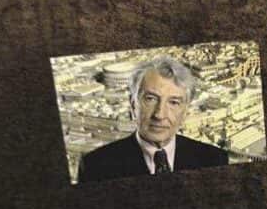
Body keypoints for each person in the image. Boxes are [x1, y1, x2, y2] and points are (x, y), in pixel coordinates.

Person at [77, 56, 228, 183]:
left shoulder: (215, 160)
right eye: (150, 99)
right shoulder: (95, 167)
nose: (159, 115)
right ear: (133, 105)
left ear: (185, 111)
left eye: (173, 102)